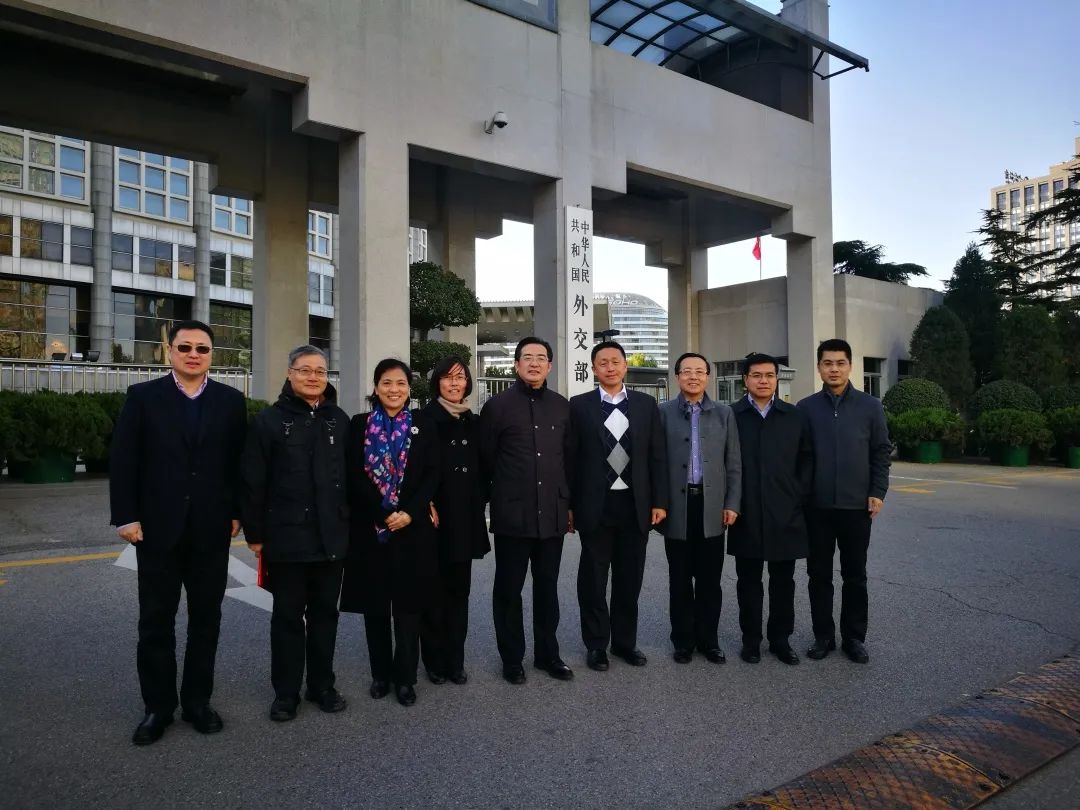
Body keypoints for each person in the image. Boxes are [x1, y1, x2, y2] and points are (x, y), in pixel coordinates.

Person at [109, 319, 247, 745]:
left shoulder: (230, 401)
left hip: (211, 529)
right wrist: (126, 516)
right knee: (156, 622)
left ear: (211, 355)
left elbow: (238, 463)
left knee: (206, 621)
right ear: (169, 351)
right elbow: (124, 460)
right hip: (157, 530)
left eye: (202, 348)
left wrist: (237, 512)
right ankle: (158, 708)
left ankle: (197, 703)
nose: (193, 354)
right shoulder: (143, 397)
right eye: (185, 347)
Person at [241, 345, 350, 721]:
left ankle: (322, 686)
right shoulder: (269, 421)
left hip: (331, 538)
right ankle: (285, 694)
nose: (313, 377)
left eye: (320, 371)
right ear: (290, 373)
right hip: (286, 539)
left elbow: (352, 479)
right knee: (287, 618)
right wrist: (255, 533)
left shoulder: (338, 420)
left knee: (325, 616)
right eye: (305, 370)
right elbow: (253, 481)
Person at [340, 358, 439, 706]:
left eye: (400, 383)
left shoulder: (423, 425)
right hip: (372, 528)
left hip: (412, 529)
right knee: (376, 606)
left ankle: (406, 678)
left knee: (409, 608)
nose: (393, 389)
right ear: (376, 387)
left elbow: (432, 475)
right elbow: (353, 475)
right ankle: (380, 675)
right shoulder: (359, 424)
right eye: (386, 383)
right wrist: (383, 512)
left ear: (409, 388)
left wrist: (409, 513)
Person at [479, 336, 574, 685]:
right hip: (512, 515)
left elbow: (569, 460)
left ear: (550, 365)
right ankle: (512, 659)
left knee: (547, 587)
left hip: (552, 513)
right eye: (527, 357)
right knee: (509, 590)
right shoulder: (497, 407)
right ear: (516, 364)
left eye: (541, 358)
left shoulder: (562, 407)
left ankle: (548, 655)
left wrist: (570, 505)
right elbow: (486, 460)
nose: (534, 363)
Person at [568, 341, 667, 671]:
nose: (610, 367)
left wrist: (659, 501)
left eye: (615, 361)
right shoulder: (579, 406)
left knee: (629, 579)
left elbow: (657, 456)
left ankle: (625, 643)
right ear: (593, 369)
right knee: (593, 580)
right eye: (603, 363)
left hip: (634, 504)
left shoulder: (645, 404)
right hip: (595, 505)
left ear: (625, 366)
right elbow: (571, 459)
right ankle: (596, 645)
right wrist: (570, 505)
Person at [797, 338, 891, 664]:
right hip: (817, 508)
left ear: (850, 366)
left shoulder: (870, 407)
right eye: (827, 363)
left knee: (855, 576)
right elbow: (800, 457)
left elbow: (881, 452)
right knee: (818, 576)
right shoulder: (806, 408)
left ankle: (854, 638)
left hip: (856, 508)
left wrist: (877, 491)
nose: (834, 369)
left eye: (840, 363)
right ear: (819, 367)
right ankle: (823, 636)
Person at [728, 353, 813, 666]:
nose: (763, 381)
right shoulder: (732, 415)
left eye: (769, 375)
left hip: (785, 511)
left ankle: (781, 640)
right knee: (748, 582)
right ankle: (750, 641)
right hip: (746, 512)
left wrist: (797, 495)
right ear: (745, 380)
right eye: (756, 375)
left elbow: (807, 459)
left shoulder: (794, 415)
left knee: (783, 582)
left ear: (777, 379)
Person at [657, 352, 741, 664]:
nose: (693, 376)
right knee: (679, 579)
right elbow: (655, 463)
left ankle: (709, 640)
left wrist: (732, 503)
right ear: (677, 376)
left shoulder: (724, 414)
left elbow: (734, 464)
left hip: (712, 506)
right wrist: (658, 503)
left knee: (709, 580)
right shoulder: (663, 412)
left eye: (699, 371)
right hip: (677, 506)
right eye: (687, 371)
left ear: (708, 376)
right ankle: (683, 641)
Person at [419, 357, 490, 686]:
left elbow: (486, 467)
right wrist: (424, 503)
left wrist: (481, 498)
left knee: (459, 593)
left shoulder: (474, 422)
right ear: (437, 382)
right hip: (433, 519)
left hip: (465, 517)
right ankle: (434, 660)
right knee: (433, 593)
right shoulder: (423, 420)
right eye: (447, 377)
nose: (454, 383)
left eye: (460, 377)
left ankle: (455, 660)